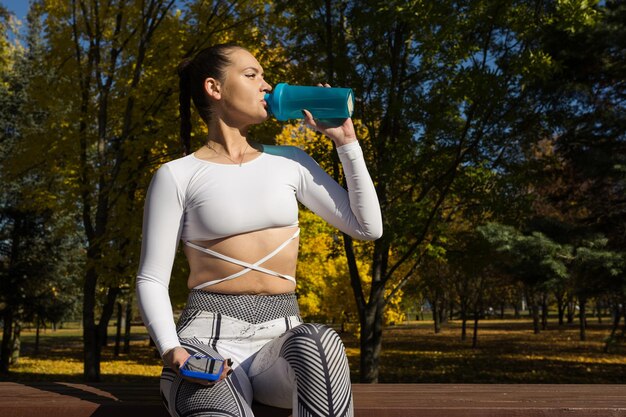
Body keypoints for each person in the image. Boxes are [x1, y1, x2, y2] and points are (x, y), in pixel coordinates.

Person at [136, 43, 383, 417]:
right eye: (252, 75)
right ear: (214, 88)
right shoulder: (176, 175)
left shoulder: (291, 161)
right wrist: (173, 349)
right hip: (207, 341)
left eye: (264, 76)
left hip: (281, 343)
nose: (266, 85)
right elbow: (151, 278)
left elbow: (368, 228)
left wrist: (346, 144)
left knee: (322, 342)